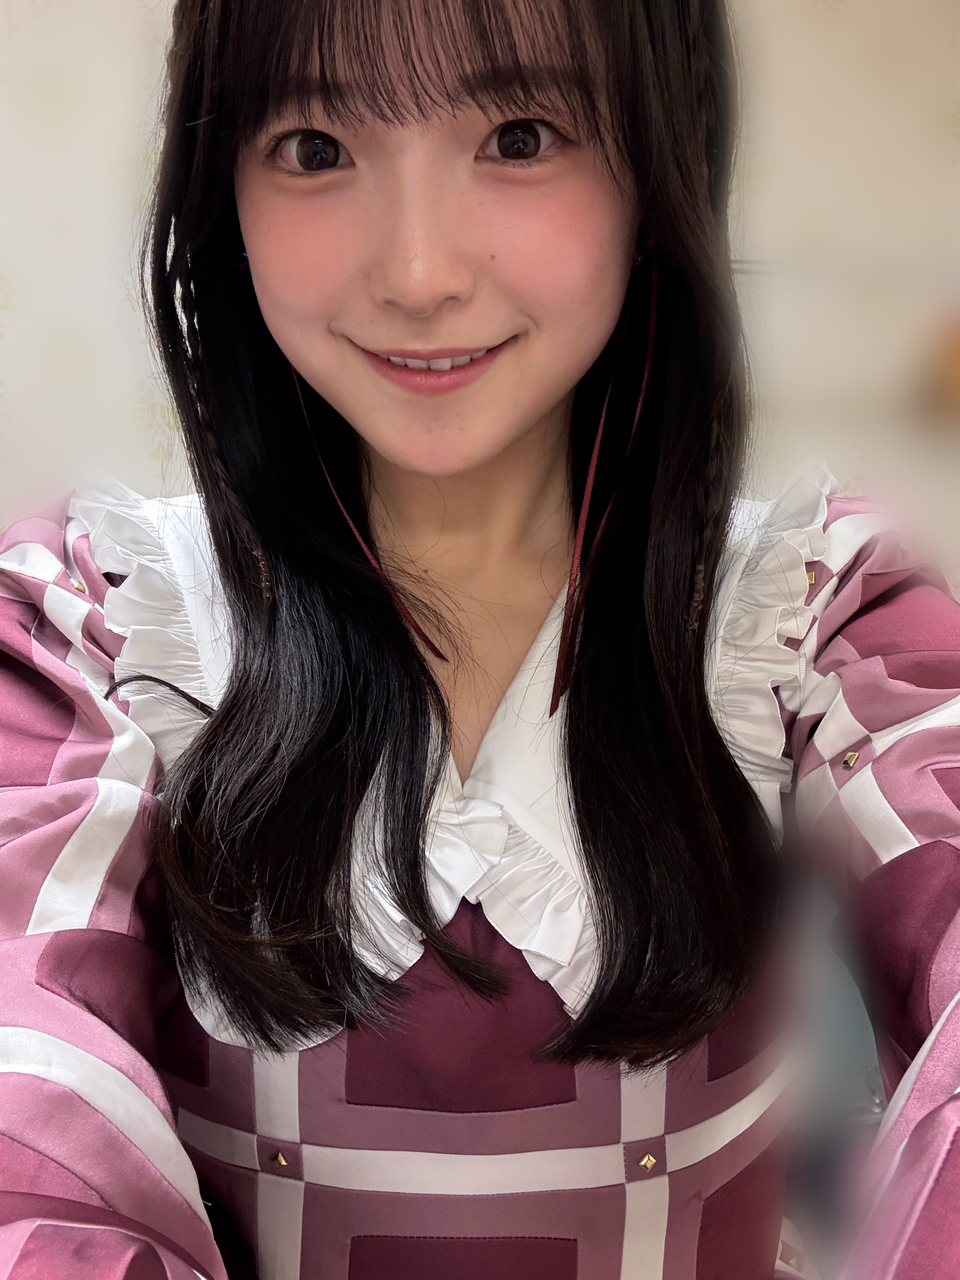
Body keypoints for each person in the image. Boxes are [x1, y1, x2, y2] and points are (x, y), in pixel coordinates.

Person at [1, 0, 959, 1277]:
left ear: (657, 160)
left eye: (519, 136)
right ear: (219, 188)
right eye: (313, 146)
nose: (417, 272)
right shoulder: (95, 627)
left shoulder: (815, 608)